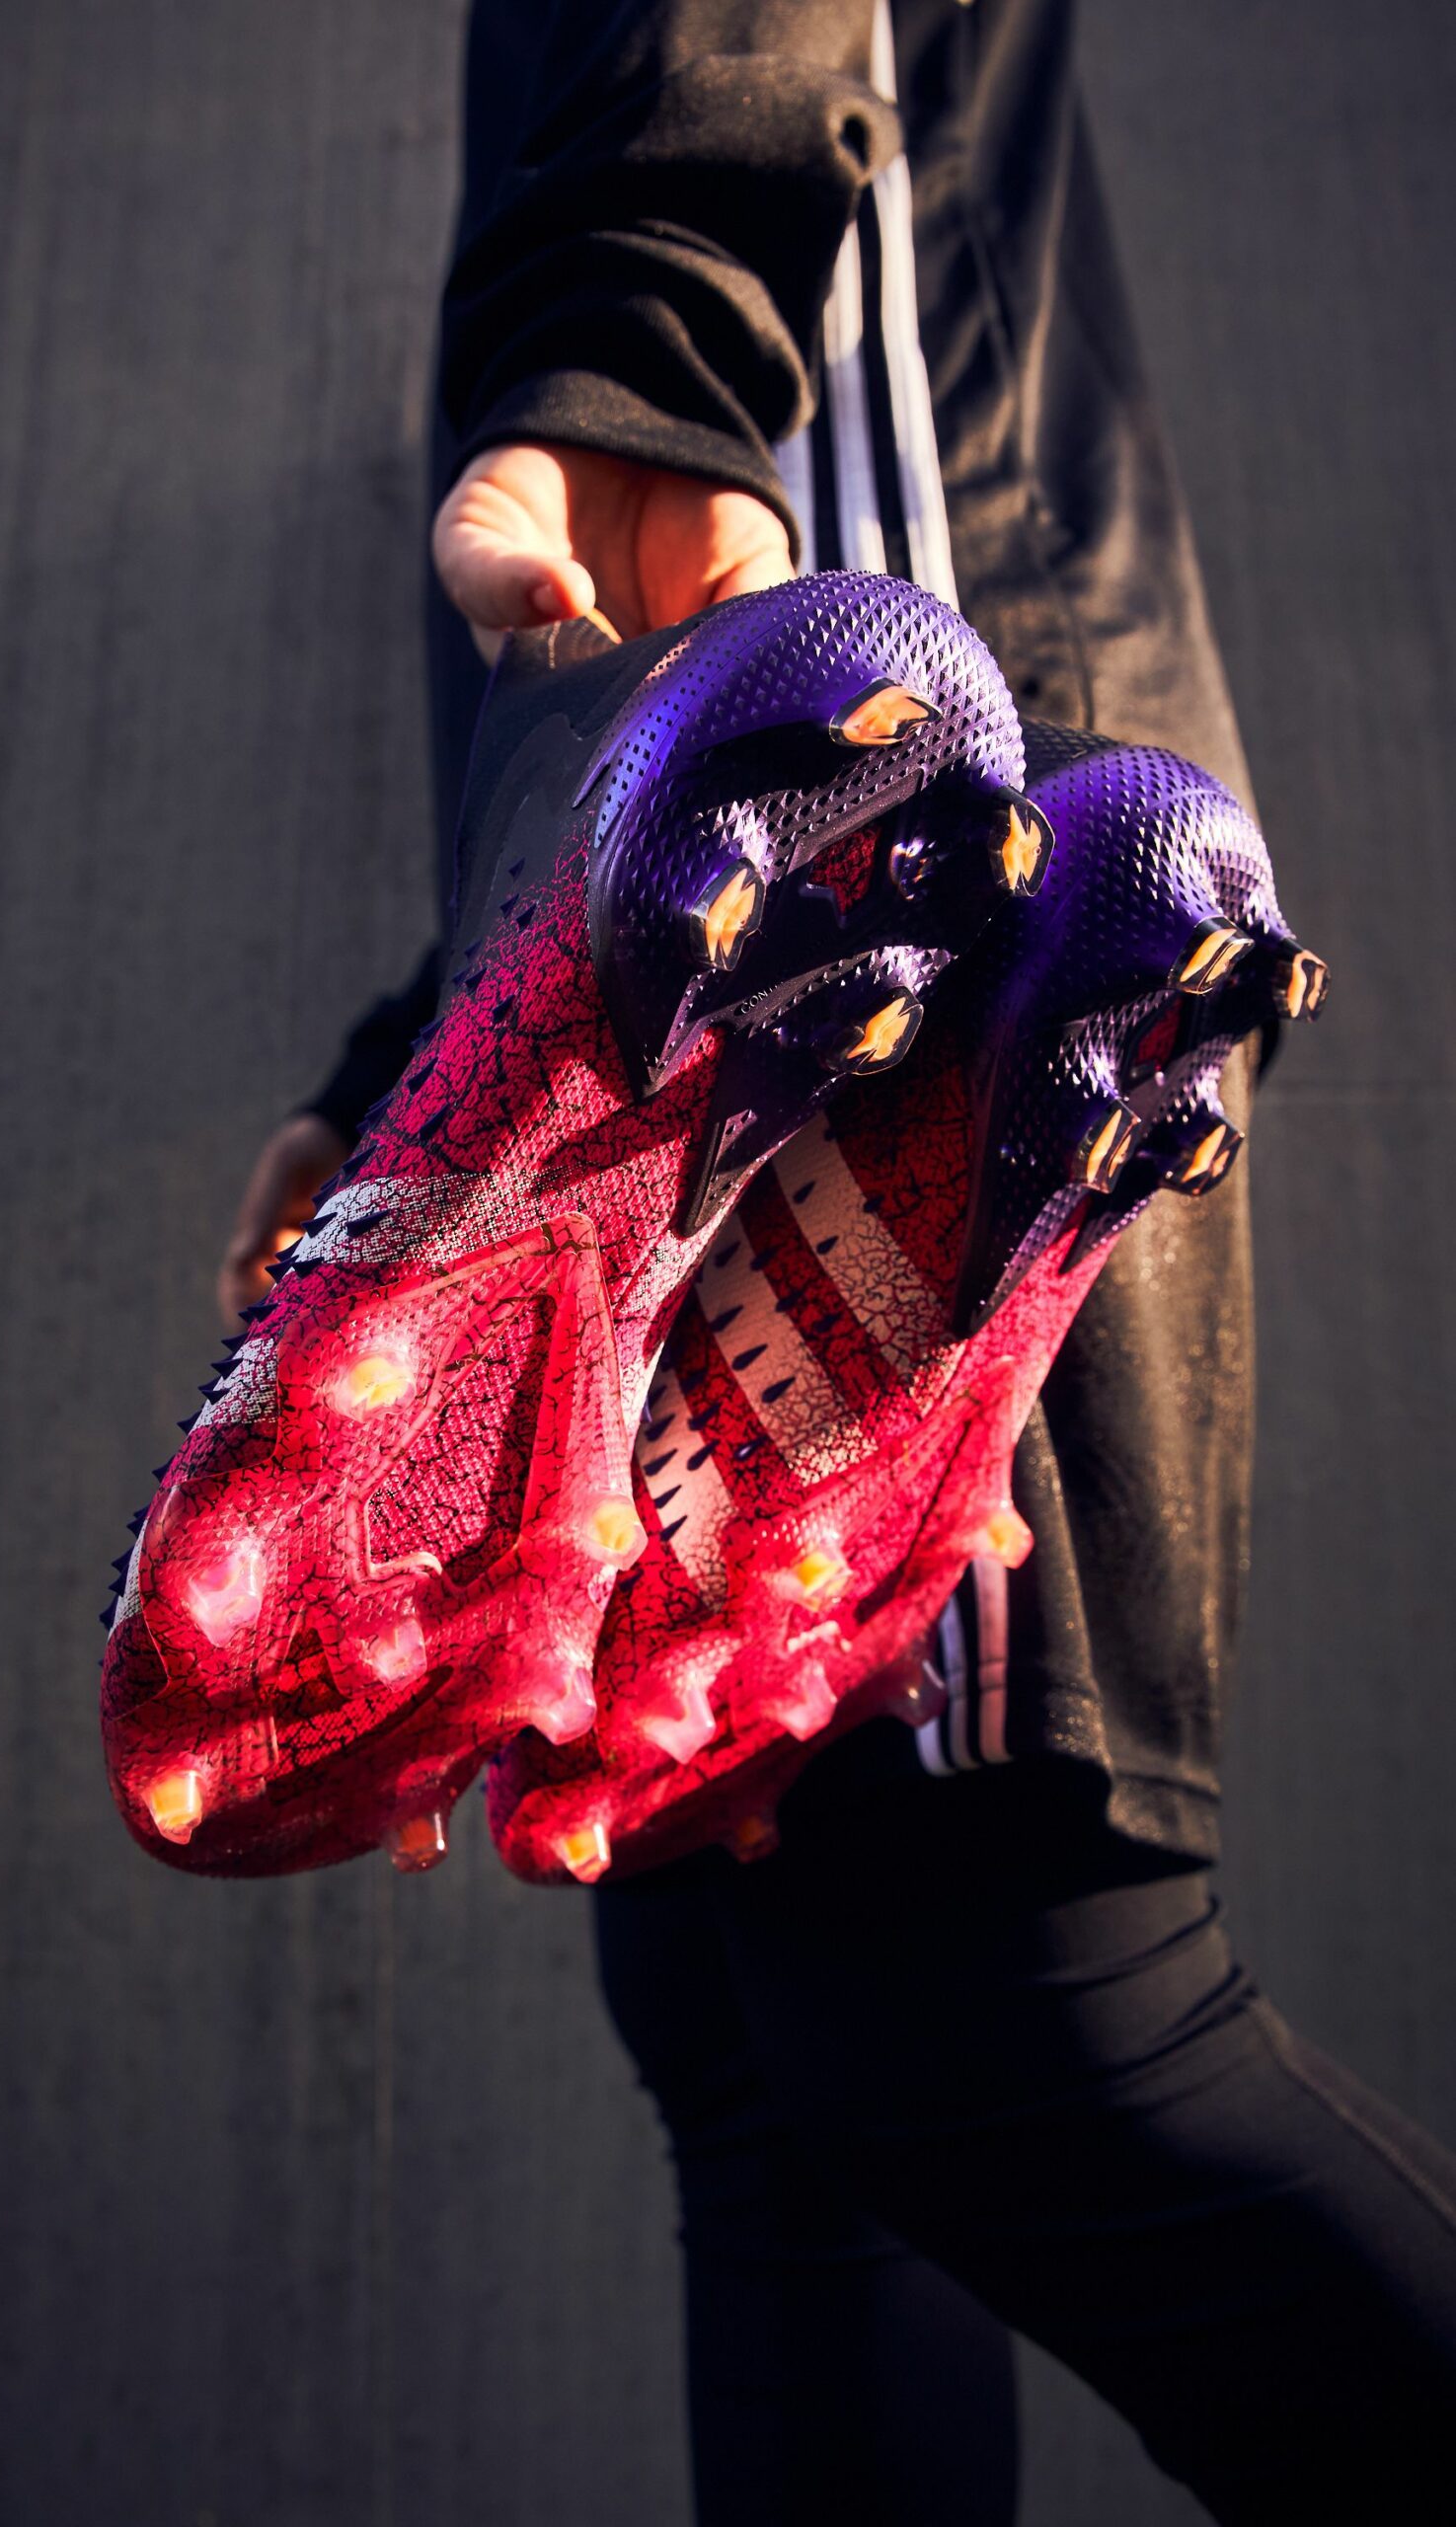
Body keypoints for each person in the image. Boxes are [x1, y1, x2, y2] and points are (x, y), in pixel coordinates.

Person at [219, 5, 1456, 2516]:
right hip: (743, 960)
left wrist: (637, 316)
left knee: (994, 2004)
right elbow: (654, 684)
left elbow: (786, 630)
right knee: (759, 2055)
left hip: (964, 951)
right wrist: (420, 1042)